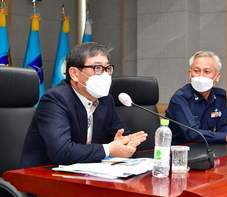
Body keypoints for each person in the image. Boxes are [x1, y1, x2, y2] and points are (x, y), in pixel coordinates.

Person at [20, 42, 148, 170]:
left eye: (108, 68)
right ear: (74, 74)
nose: (105, 75)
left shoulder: (105, 100)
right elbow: (61, 152)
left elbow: (122, 135)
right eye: (97, 68)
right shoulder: (55, 99)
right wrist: (109, 149)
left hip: (87, 174)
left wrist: (128, 143)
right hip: (43, 176)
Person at [165, 50, 227, 144]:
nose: (201, 76)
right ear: (190, 74)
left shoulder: (219, 97)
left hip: (207, 148)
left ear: (217, 77)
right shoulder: (180, 98)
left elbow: (221, 127)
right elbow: (191, 134)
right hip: (179, 151)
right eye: (196, 71)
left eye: (207, 72)